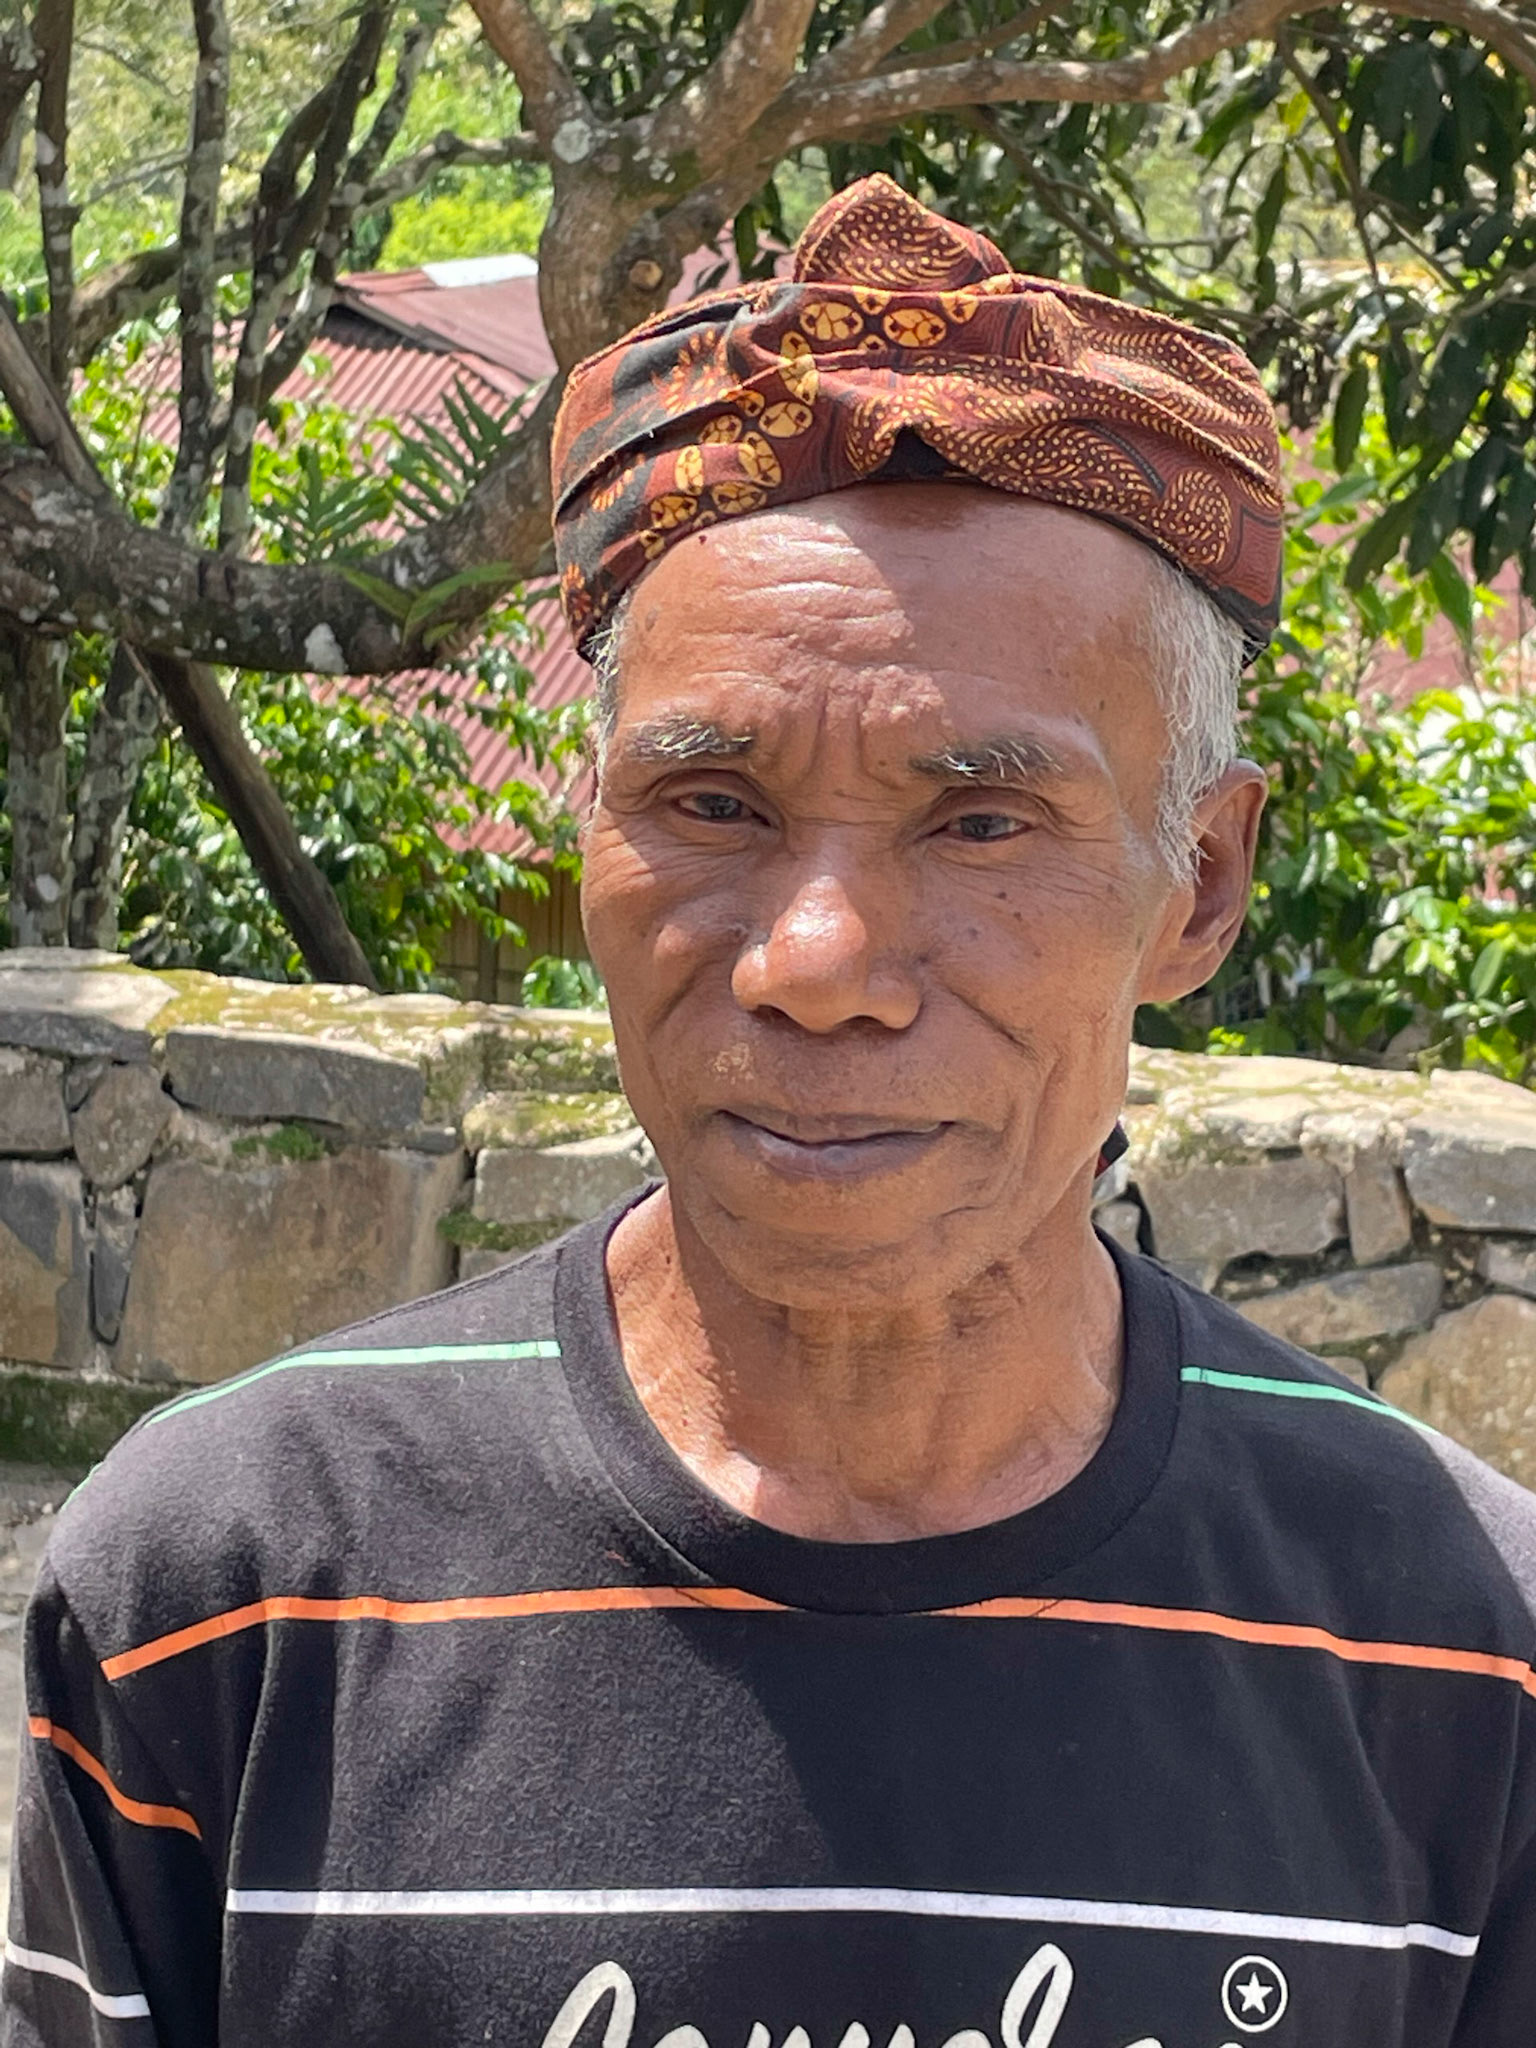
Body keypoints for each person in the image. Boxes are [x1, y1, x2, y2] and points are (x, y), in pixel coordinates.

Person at [4, 174, 1534, 2048]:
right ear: (587, 851)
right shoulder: (214, 1600)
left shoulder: (1460, 1652)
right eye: (711, 802)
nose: (817, 957)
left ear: (1197, 886)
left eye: (982, 820)